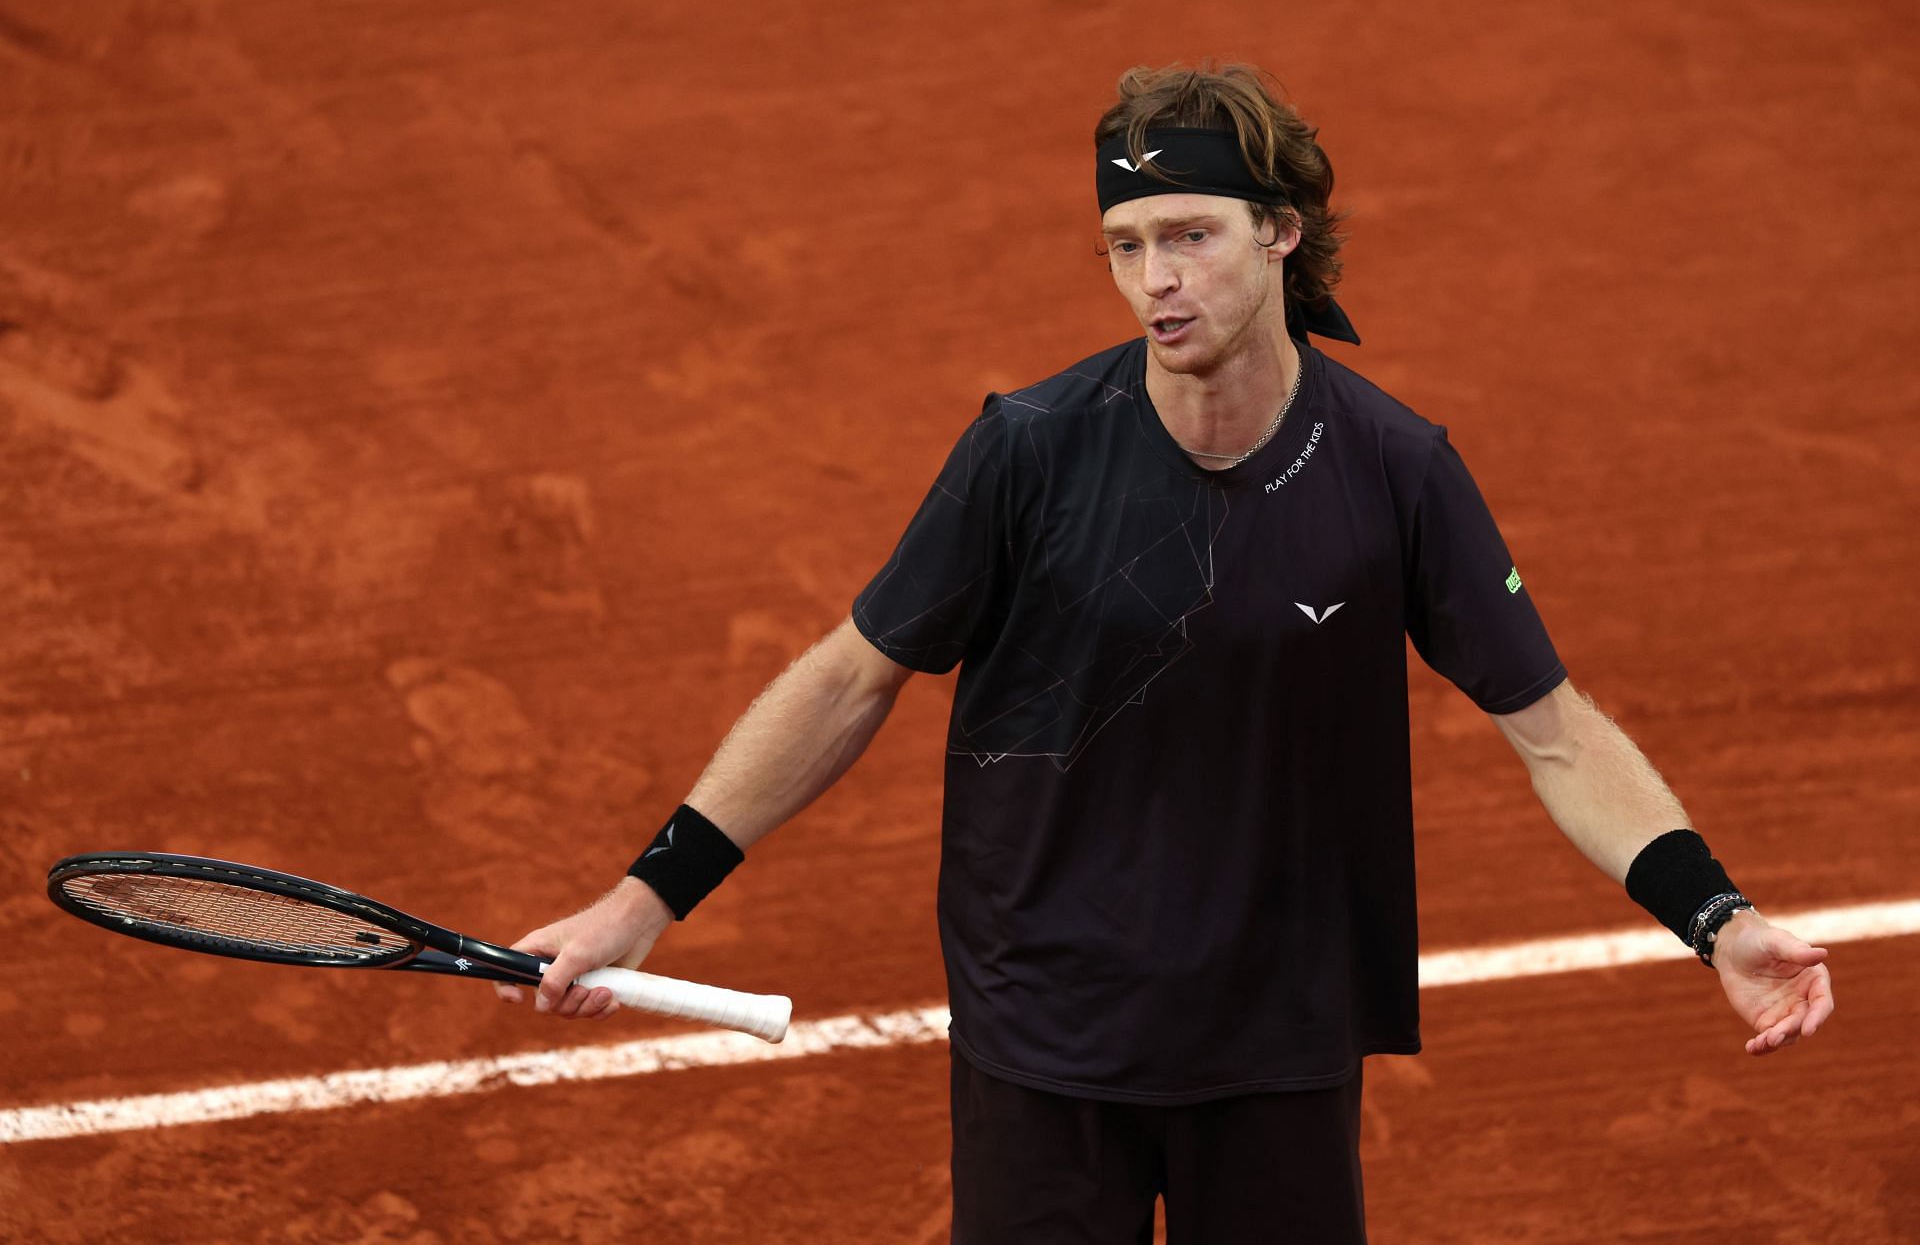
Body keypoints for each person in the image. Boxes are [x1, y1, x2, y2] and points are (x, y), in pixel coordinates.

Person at [494, 62, 1836, 1243]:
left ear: (1280, 235)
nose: (1157, 279)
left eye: (1188, 235)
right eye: (1126, 245)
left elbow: (1556, 728)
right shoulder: (1029, 450)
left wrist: (1713, 916)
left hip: (1278, 1040)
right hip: (1046, 1036)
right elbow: (853, 674)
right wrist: (646, 896)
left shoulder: (1395, 470)